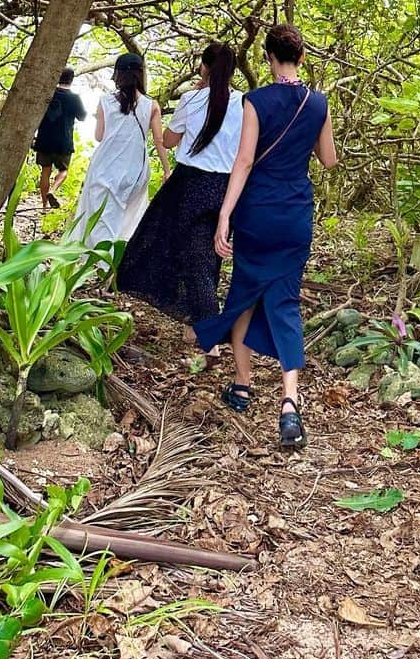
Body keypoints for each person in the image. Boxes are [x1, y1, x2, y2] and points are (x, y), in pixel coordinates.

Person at [194, 24, 337, 449]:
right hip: (294, 214)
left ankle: (242, 385)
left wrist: (224, 216)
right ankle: (290, 404)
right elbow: (329, 161)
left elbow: (242, 162)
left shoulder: (254, 101)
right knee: (285, 301)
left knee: (244, 293)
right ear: (302, 57)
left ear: (268, 58)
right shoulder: (318, 104)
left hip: (256, 213)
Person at [116, 43, 243, 344]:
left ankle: (210, 330)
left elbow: (170, 141)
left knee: (189, 253)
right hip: (227, 186)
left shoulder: (192, 99)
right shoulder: (244, 103)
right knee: (209, 255)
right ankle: (193, 326)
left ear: (205, 67)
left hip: (191, 184)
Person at [69, 52, 169, 248]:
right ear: (141, 74)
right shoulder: (151, 105)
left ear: (117, 74)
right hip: (135, 171)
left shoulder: (105, 102)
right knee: (128, 219)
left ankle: (101, 264)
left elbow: (99, 136)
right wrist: (167, 170)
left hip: (106, 167)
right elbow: (159, 140)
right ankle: (119, 263)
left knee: (102, 218)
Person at [33, 68, 87, 211]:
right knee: (63, 171)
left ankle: (44, 206)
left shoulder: (48, 94)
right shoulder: (75, 98)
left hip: (44, 139)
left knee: (45, 172)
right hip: (64, 141)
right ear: (72, 79)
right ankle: (53, 190)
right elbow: (82, 117)